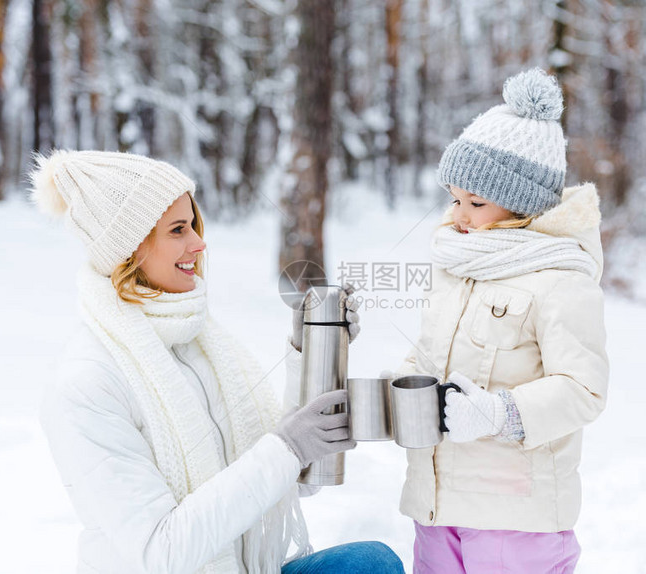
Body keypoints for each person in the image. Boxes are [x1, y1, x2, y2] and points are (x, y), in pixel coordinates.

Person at [33, 150, 404, 574]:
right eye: (178, 230)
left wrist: (312, 352)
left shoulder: (198, 341)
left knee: (371, 564)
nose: (198, 242)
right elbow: (162, 552)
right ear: (129, 248)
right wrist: (288, 446)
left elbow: (278, 479)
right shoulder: (87, 383)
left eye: (193, 224)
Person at [391, 68, 609, 573]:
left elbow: (585, 388)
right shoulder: (458, 263)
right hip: (438, 505)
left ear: (521, 203)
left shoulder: (560, 276)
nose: (459, 216)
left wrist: (499, 413)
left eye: (476, 202)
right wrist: (396, 383)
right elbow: (430, 355)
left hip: (516, 517)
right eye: (454, 198)